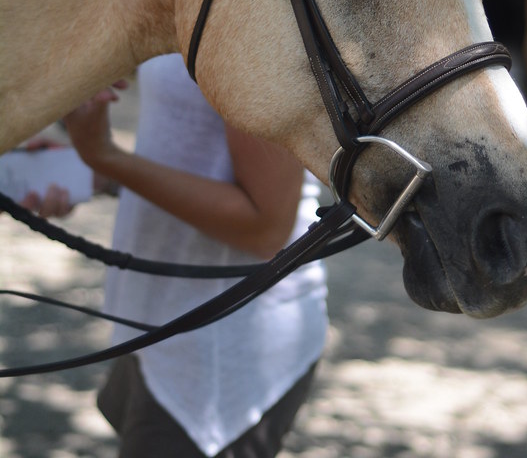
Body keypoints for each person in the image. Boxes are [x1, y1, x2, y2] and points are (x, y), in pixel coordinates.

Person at [53, 53, 328, 458]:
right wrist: (87, 170)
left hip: (220, 347)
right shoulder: (189, 14)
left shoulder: (253, 29)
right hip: (160, 323)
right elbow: (188, 146)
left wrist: (106, 156)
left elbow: (266, 228)